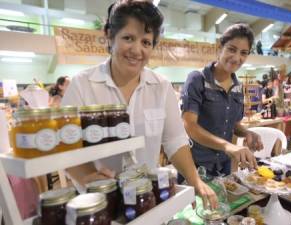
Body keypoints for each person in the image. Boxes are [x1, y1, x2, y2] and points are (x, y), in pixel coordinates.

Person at [61, 1, 218, 208]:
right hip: (101, 202)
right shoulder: (82, 85)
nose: (137, 50)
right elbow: (66, 145)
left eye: (146, 42)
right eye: (128, 38)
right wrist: (88, 176)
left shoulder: (161, 86)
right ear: (110, 35)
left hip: (147, 198)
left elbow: (174, 141)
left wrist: (194, 180)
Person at [181, 23, 263, 177]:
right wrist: (228, 146)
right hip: (197, 165)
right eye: (232, 49)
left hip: (224, 165)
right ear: (219, 48)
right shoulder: (197, 79)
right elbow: (189, 125)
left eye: (243, 53)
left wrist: (247, 133)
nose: (237, 58)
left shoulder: (238, 87)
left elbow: (234, 125)